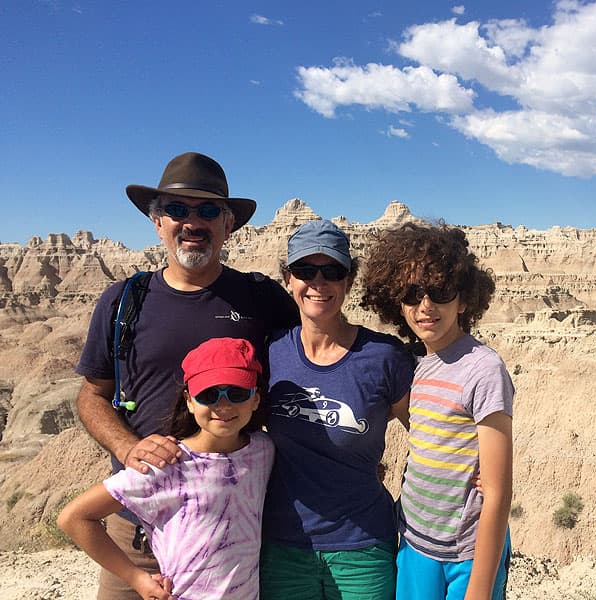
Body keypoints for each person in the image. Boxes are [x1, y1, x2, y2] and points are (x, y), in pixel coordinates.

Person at [75, 152, 298, 599]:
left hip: (227, 529)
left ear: (228, 223)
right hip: (135, 531)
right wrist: (128, 446)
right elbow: (91, 396)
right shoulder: (123, 301)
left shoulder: (261, 299)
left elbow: (310, 368)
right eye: (177, 210)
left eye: (208, 210)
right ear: (157, 222)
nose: (192, 222)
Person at [259, 219, 415, 599]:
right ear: (287, 279)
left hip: (363, 548)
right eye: (305, 270)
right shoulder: (270, 352)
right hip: (283, 548)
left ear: (348, 280)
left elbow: (429, 434)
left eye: (332, 271)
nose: (318, 282)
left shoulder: (383, 358)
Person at [360, 222, 514, 600]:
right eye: (412, 293)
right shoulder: (416, 364)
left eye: (440, 291)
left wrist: (478, 589)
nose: (425, 305)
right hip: (414, 543)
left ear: (463, 299)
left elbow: (497, 492)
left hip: (466, 553)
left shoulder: (483, 369)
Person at [60, 337, 273, 600]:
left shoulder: (262, 450)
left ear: (255, 398)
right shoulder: (167, 467)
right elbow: (74, 518)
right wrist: (136, 577)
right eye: (208, 394)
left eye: (237, 393)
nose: (224, 405)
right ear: (190, 401)